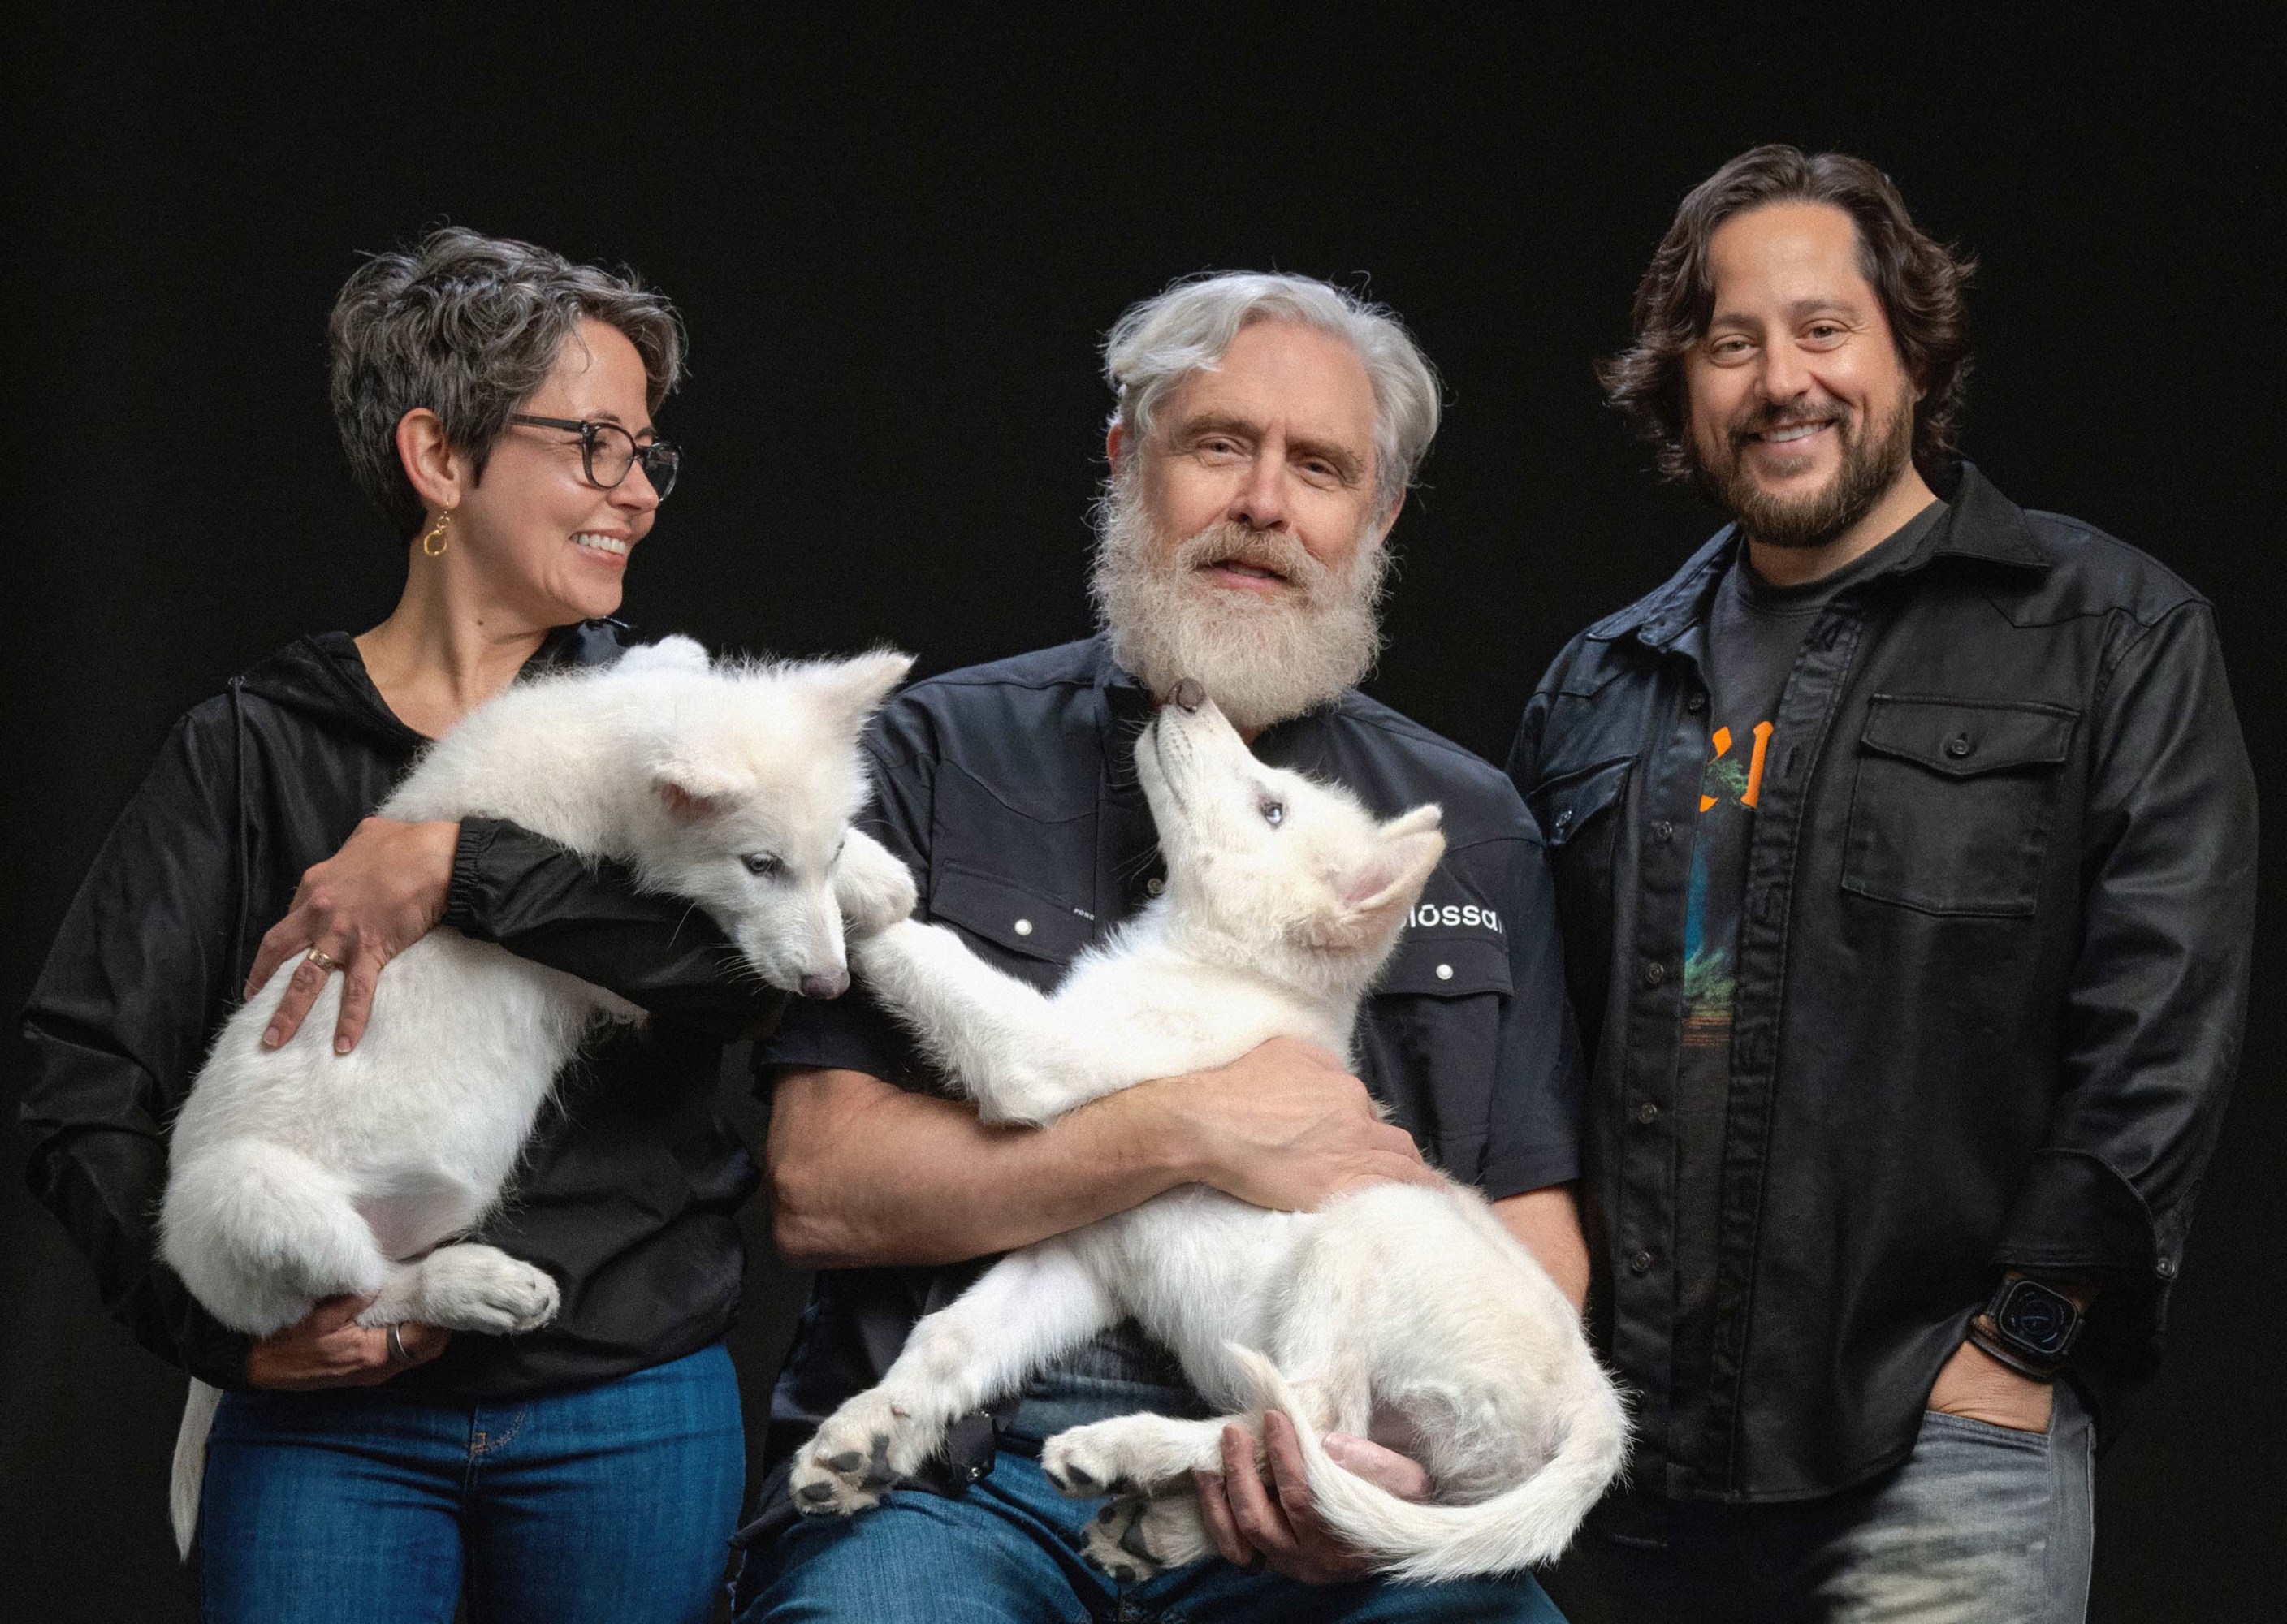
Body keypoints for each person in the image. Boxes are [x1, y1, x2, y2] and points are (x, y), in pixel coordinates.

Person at [733, 272, 1589, 1622]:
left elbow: (1535, 1240)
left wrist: (1387, 1474)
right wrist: (1191, 1129)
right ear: (1128, 458)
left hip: (1311, 1476)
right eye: (1219, 444)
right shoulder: (930, 752)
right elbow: (821, 1188)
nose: (1265, 503)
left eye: (1319, 467)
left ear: (1379, 517)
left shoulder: (1468, 827)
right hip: (969, 1478)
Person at [1507, 145, 2257, 1622]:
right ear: (1683, 388)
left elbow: (2160, 1038)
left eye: (1823, 328)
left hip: (1943, 1451)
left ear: (1912, 348)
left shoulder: (2109, 636)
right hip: (1617, 1474)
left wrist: (2023, 1347)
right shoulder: (1595, 688)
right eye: (1731, 343)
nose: (1781, 379)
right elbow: (1514, 1069)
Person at [20, 228, 777, 1623]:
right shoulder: (252, 746)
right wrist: (217, 1331)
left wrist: (460, 868)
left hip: (628, 1409)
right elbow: (81, 1074)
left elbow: (749, 980)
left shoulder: (672, 727)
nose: (639, 493)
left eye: (648, 453)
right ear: (439, 459)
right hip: (330, 1434)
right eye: (593, 446)